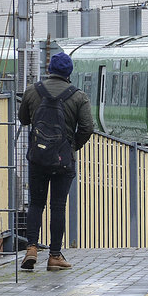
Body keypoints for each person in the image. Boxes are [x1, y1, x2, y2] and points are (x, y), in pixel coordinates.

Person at [18, 51, 94, 271]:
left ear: (49, 69)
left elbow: (23, 119)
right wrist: (72, 146)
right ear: (69, 73)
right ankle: (54, 256)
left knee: (36, 203)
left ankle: (31, 248)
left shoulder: (33, 91)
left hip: (38, 157)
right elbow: (87, 127)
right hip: (64, 159)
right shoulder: (78, 96)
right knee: (58, 206)